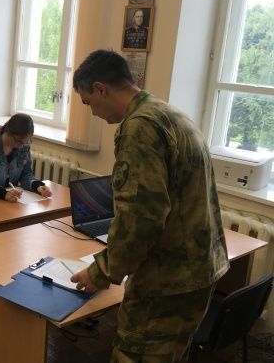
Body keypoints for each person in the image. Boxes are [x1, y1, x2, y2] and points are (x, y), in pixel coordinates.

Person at [69, 50, 229, 362]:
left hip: (167, 279)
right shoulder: (170, 114)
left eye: (88, 103)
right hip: (198, 268)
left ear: (101, 89)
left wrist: (101, 272)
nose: (93, 113)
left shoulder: (140, 128)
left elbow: (142, 218)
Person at [0, 113, 52, 202]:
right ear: (8, 131)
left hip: (12, 200)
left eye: (25, 142)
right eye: (18, 141)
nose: (21, 146)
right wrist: (3, 193)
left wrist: (37, 186)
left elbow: (26, 174)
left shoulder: (24, 147)